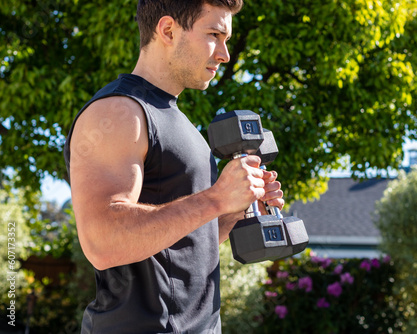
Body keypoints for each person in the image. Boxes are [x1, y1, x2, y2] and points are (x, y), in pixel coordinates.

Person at [63, 0, 284, 333]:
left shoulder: (180, 123)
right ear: (167, 30)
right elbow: (103, 241)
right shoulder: (119, 112)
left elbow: (181, 249)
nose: (224, 54)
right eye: (214, 34)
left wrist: (232, 211)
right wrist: (215, 199)